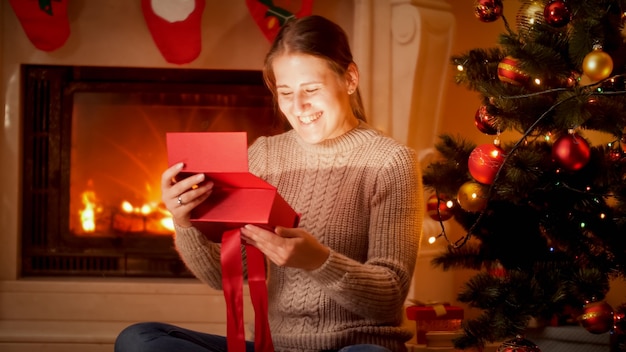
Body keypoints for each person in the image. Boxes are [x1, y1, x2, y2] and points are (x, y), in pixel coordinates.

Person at [115, 14, 423, 352]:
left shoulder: (390, 162)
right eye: (286, 92)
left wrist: (318, 260)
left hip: (353, 347)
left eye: (311, 89)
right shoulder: (264, 156)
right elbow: (225, 276)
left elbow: (390, 298)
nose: (298, 106)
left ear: (349, 78)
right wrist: (184, 222)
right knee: (139, 340)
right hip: (272, 347)